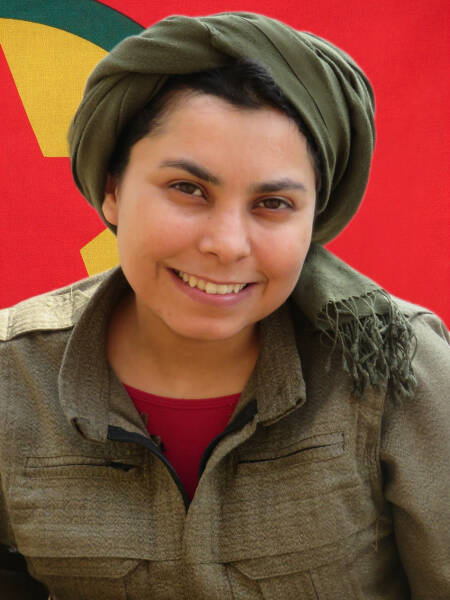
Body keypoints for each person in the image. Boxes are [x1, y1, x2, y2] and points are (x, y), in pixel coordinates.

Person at [0, 12, 449, 600]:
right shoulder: (12, 377)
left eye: (273, 203)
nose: (227, 245)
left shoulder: (396, 370)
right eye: (188, 189)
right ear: (113, 189)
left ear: (314, 217)